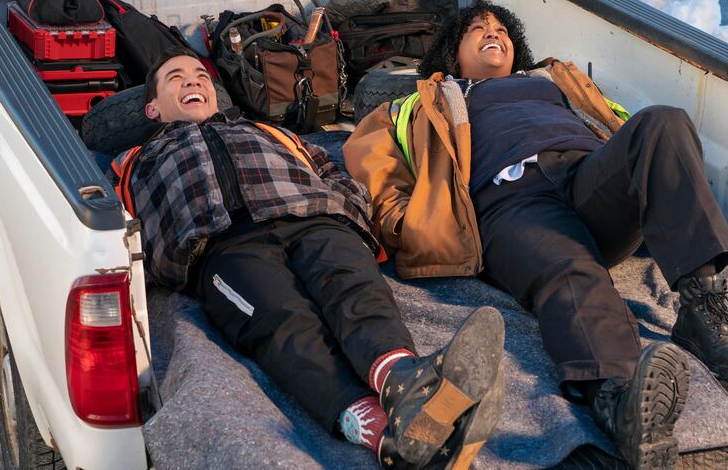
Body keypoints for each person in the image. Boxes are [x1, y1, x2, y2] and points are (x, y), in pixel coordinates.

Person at [343, 0, 728, 469]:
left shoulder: (556, 81)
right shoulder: (422, 100)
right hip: (511, 201)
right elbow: (374, 164)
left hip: (586, 177)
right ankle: (619, 400)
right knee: (568, 267)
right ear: (453, 55)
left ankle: (702, 310)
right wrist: (405, 224)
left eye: (502, 28)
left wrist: (648, 169)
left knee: (664, 121)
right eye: (478, 29)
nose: (494, 33)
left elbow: (618, 126)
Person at [108, 45, 507, 469]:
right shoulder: (134, 162)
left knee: (354, 288)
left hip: (313, 217)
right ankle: (389, 438)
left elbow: (327, 167)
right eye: (176, 77)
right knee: (283, 322)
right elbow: (131, 232)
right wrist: (177, 262)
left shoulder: (267, 131)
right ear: (152, 108)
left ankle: (405, 383)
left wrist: (344, 207)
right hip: (226, 247)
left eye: (201, 76)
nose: (193, 80)